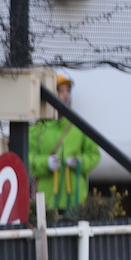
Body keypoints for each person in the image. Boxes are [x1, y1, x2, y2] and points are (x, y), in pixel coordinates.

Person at [28, 71, 102, 215]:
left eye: (68, 90)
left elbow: (94, 154)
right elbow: (27, 158)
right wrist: (46, 163)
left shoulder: (78, 127)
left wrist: (81, 162)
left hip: (74, 200)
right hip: (47, 200)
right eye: (60, 90)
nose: (66, 95)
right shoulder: (37, 128)